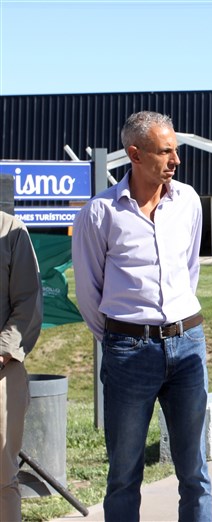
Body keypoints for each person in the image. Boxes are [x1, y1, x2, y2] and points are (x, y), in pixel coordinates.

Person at [72, 111, 212, 522]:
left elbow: (190, 272)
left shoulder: (187, 201)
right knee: (124, 473)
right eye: (165, 151)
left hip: (188, 344)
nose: (175, 160)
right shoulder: (100, 213)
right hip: (129, 351)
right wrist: (121, 337)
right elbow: (88, 291)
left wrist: (176, 324)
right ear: (134, 153)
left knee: (195, 471)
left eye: (176, 150)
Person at [0, 210, 43, 522]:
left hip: (3, 371)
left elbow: (27, 302)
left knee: (1, 476)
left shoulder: (11, 231)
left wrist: (2, 352)